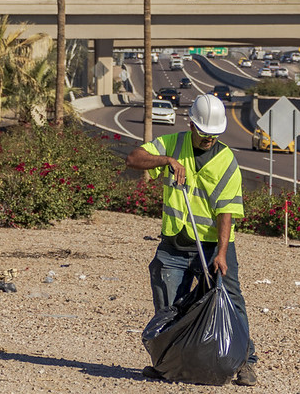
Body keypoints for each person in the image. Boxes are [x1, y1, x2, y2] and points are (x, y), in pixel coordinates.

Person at [125, 93, 258, 386]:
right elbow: (133, 158)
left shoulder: (226, 161)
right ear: (192, 125)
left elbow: (227, 212)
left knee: (229, 300)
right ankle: (169, 363)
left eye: (214, 134)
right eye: (204, 132)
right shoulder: (173, 144)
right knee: (168, 306)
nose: (209, 138)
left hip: (213, 247)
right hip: (174, 244)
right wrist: (166, 160)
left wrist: (222, 254)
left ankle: (244, 361)